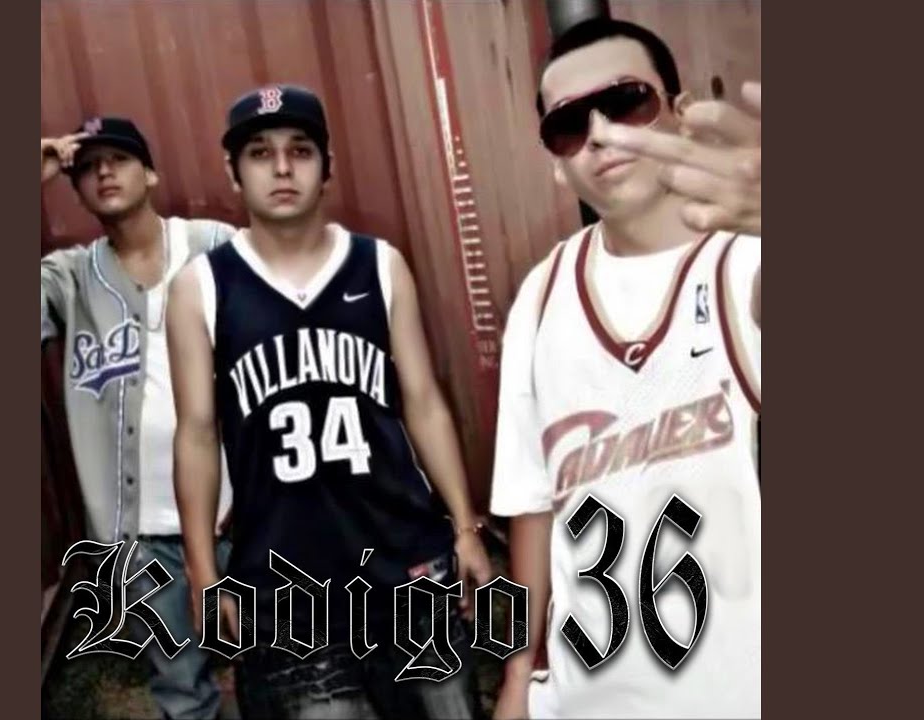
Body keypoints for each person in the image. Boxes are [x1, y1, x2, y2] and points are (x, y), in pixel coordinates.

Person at [166, 84, 493, 719]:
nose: (282, 168)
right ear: (233, 172)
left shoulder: (379, 265)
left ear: (327, 167)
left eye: (300, 150)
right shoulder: (201, 287)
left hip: (404, 563)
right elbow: (197, 434)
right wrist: (203, 571)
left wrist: (465, 527)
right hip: (283, 583)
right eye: (260, 153)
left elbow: (423, 401)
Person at [489, 18, 761, 719]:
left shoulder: (746, 262)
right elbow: (530, 506)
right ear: (556, 161)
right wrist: (517, 677)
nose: (601, 134)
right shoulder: (541, 297)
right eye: (569, 124)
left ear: (680, 108)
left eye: (625, 101)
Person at [40, 117, 234, 720]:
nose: (103, 171)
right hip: (139, 537)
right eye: (86, 166)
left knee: (282, 675)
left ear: (149, 173)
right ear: (75, 189)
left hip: (243, 514)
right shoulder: (71, 279)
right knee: (182, 692)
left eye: (119, 158)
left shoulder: (213, 246)